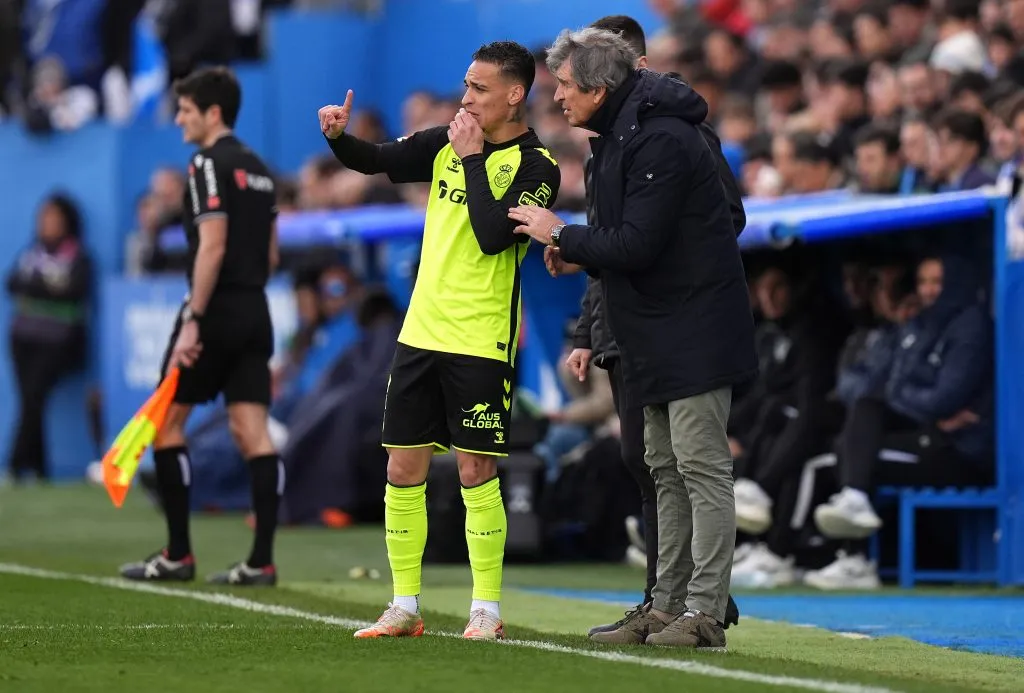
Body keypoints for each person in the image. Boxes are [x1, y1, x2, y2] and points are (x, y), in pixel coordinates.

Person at [510, 28, 757, 650]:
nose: (557, 97)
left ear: (599, 89)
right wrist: (581, 254)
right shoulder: (617, 139)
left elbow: (639, 243)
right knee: (664, 470)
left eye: (566, 85)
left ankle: (705, 612)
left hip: (694, 328)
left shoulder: (664, 138)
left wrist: (561, 233)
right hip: (650, 328)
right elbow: (625, 242)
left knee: (700, 468)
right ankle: (666, 604)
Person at [317, 40, 561, 641]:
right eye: (465, 85)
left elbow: (492, 237)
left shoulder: (538, 167)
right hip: (421, 331)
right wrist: (339, 138)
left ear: (515, 94)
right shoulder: (448, 140)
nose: (466, 98)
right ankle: (404, 604)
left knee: (476, 470)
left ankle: (486, 610)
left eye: (479, 88)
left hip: (480, 337)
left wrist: (472, 159)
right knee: (403, 467)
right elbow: (375, 159)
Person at [120, 66, 284, 587]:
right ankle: (261, 562)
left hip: (214, 312)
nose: (178, 120)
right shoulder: (259, 168)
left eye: (186, 110)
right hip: (255, 310)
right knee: (254, 433)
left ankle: (177, 555)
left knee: (167, 424)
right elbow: (272, 255)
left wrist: (194, 318)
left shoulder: (207, 163)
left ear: (213, 113)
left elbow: (212, 245)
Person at [5, 193, 92, 483]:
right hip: (22, 338)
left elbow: (74, 290)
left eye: (54, 218)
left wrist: (37, 286)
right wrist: (48, 286)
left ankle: (15, 465)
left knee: (34, 397)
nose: (48, 223)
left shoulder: (77, 255)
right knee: (30, 402)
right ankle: (39, 469)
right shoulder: (32, 253)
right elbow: (12, 283)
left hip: (57, 341)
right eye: (44, 218)